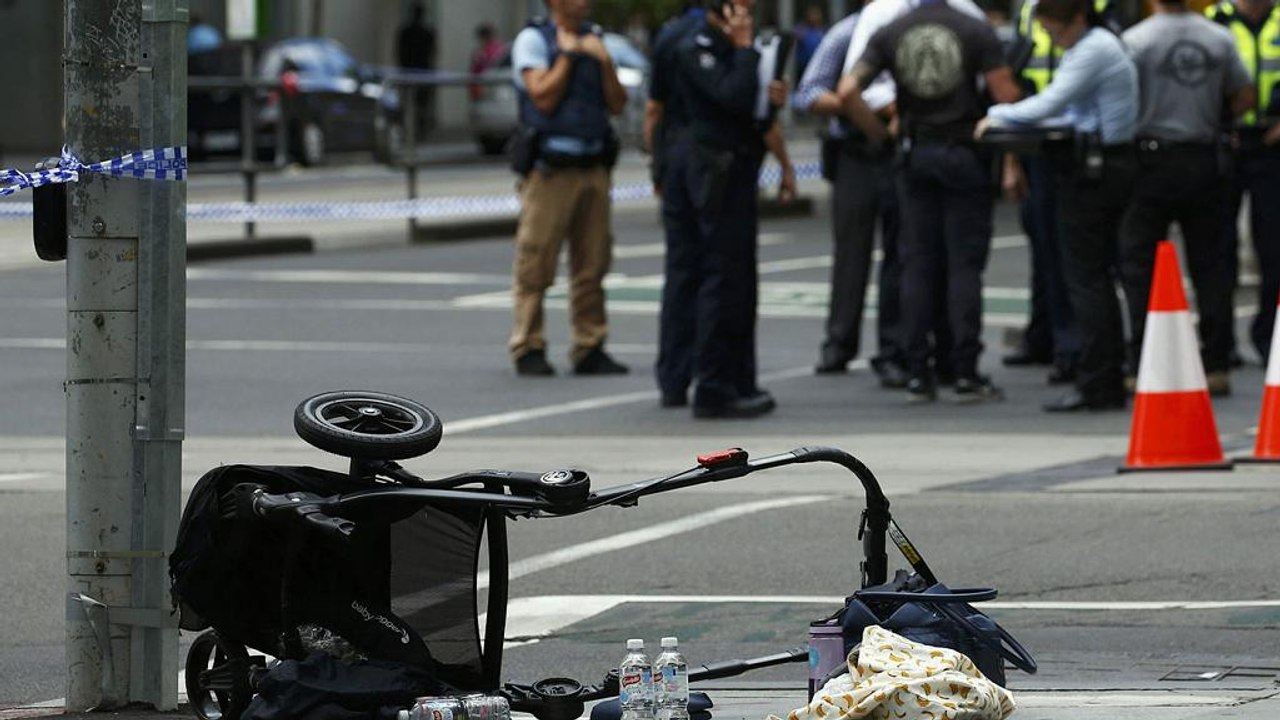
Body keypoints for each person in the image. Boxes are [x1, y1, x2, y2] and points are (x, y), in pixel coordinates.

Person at [841, 0, 1021, 403]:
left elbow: (848, 91)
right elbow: (1004, 95)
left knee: (917, 264)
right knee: (964, 265)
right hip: (963, 153)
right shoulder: (974, 28)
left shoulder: (894, 29)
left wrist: (883, 137)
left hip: (915, 153)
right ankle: (964, 370)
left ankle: (918, 370)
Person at [978, 0, 1139, 412]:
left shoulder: (1092, 49)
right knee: (1094, 279)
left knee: (1087, 281)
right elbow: (1068, 112)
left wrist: (997, 115)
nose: (1052, 39)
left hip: (1097, 172)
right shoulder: (1098, 44)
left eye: (1053, 30)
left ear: (1076, 20)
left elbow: (1050, 104)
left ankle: (1099, 381)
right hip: (1105, 165)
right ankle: (1104, 375)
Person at [665, 0, 796, 418]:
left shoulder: (727, 44)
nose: (750, 13)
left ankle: (738, 378)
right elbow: (732, 95)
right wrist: (744, 50)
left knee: (737, 278)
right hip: (712, 172)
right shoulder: (696, 44)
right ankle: (714, 385)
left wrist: (771, 97)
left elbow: (751, 108)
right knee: (720, 279)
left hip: (734, 166)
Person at [1119, 0, 1255, 397]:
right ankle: (1215, 361)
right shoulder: (1217, 37)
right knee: (1211, 265)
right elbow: (1244, 95)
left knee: (1140, 264)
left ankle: (1146, 359)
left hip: (1151, 159)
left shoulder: (1136, 40)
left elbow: (1125, 98)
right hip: (1203, 157)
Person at [507, 0, 630, 377]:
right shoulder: (534, 40)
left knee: (592, 262)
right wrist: (568, 56)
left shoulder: (597, 40)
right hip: (550, 171)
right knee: (536, 260)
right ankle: (528, 344)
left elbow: (617, 103)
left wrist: (603, 60)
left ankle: (590, 344)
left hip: (593, 167)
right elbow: (541, 96)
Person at [1002, 0, 1109, 384]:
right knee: (1043, 246)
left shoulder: (1091, 10)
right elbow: (1014, 82)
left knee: (1071, 258)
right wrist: (1012, 159)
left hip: (1071, 143)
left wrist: (999, 121)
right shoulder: (1032, 10)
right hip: (1036, 142)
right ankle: (1046, 337)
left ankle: (1072, 349)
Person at [1205, 0, 1280, 365]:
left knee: (1275, 248)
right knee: (1219, 249)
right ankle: (1221, 343)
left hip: (1273, 144)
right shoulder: (1214, 21)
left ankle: (1270, 339)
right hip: (1227, 142)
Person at [398, 2, 438, 134]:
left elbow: (399, 52)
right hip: (421, 70)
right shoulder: (426, 32)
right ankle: (419, 128)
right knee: (421, 102)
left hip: (410, 70)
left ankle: (414, 128)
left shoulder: (406, 32)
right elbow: (433, 52)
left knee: (411, 102)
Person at [470, 23, 507, 101]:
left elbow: (493, 64)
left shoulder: (497, 49)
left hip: (492, 86)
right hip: (480, 87)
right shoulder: (480, 51)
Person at [794, 4, 828, 83]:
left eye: (816, 14)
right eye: (812, 14)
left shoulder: (824, 30)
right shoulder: (802, 29)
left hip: (821, 66)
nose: (814, 16)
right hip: (805, 66)